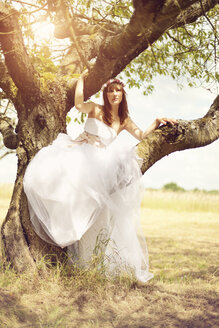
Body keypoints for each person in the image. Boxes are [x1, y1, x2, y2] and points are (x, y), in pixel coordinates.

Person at [23, 76, 177, 283]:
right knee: (63, 192)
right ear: (106, 94)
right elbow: (78, 105)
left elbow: (141, 136)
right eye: (110, 91)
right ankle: (63, 231)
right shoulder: (96, 109)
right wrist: (81, 79)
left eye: (118, 91)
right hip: (79, 155)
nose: (114, 94)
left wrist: (157, 122)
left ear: (123, 95)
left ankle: (86, 261)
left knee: (95, 210)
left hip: (100, 163)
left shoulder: (124, 120)